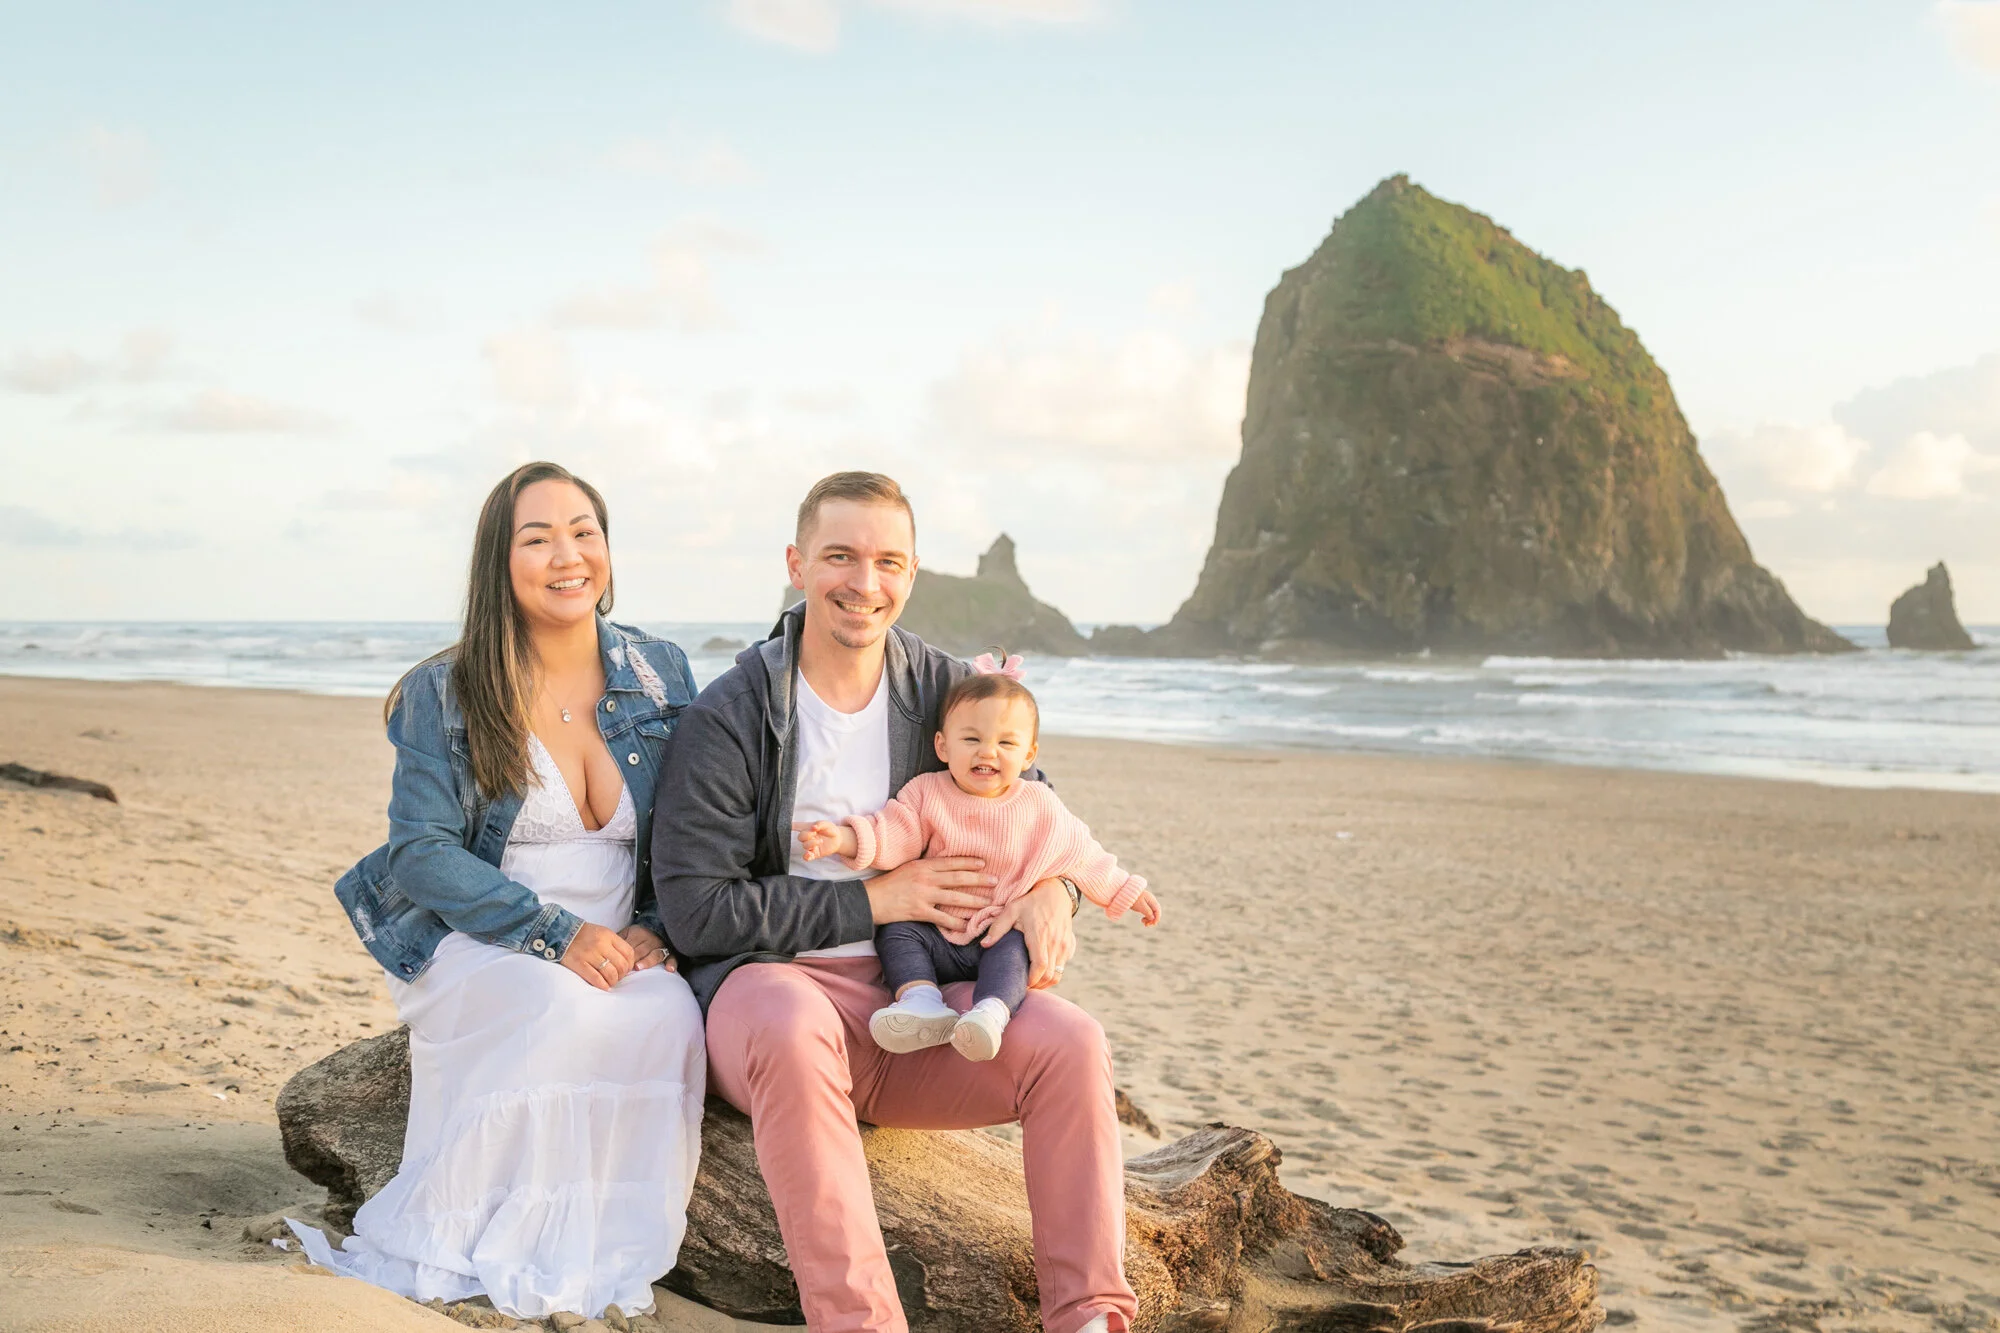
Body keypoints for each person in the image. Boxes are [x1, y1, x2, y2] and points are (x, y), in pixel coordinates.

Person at [652, 470, 1140, 1333]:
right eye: (839, 556)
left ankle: (1090, 1315)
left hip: (922, 1008)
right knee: (788, 1020)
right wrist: (873, 900)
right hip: (772, 997)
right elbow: (697, 911)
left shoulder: (944, 691)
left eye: (887, 561)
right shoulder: (731, 714)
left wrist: (1055, 889)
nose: (864, 582)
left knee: (1073, 1041)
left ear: (911, 573)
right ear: (797, 564)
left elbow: (1036, 804)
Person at [289, 461, 706, 1322]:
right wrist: (556, 933)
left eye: (584, 532)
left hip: (616, 940)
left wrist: (655, 924)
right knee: (558, 1007)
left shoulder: (661, 672)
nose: (568, 555)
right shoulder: (445, 689)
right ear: (498, 561)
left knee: (669, 1012)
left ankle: (593, 1251)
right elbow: (422, 852)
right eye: (538, 537)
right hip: (480, 934)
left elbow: (695, 824)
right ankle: (486, 1241)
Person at [798, 659, 1161, 1062]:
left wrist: (1127, 890)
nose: (987, 751)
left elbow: (1082, 853)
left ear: (1029, 755)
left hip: (995, 930)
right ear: (943, 746)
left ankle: (991, 1013)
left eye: (1006, 743)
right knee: (896, 932)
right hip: (934, 929)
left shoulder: (1039, 804)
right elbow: (893, 833)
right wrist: (844, 839)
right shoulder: (927, 792)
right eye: (971, 739)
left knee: (1016, 948)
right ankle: (921, 1000)